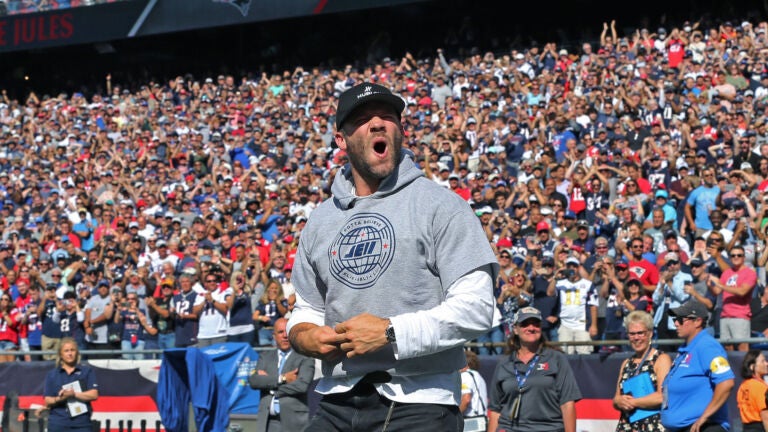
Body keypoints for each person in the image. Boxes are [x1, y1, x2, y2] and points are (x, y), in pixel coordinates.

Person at [287, 83, 497, 431]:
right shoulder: (320, 220)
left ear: (402, 131)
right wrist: (304, 336)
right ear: (341, 140)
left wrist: (391, 332)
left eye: (387, 117)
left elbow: (476, 309)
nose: (378, 124)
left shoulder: (443, 207)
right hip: (336, 398)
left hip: (420, 401)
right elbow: (307, 307)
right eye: (363, 119)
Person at [487, 307, 581, 432]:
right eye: (525, 324)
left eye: (536, 324)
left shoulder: (556, 359)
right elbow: (495, 410)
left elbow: (567, 403)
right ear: (515, 329)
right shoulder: (504, 363)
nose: (531, 328)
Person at [661, 299, 735, 432]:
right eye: (675, 319)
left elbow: (726, 382)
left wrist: (704, 417)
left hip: (704, 427)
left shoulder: (707, 346)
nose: (676, 323)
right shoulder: (686, 349)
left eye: (681, 319)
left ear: (698, 321)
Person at [248, 318, 315, 432]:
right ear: (274, 336)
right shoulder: (265, 356)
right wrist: (282, 378)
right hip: (268, 420)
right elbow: (254, 380)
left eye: (287, 332)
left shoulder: (305, 357)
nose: (285, 336)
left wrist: (270, 386)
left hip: (294, 420)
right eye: (280, 332)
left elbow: (302, 385)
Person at [613, 310, 671, 432]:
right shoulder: (626, 363)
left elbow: (663, 397)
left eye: (640, 333)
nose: (636, 338)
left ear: (650, 334)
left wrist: (633, 402)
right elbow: (616, 399)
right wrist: (619, 401)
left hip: (653, 426)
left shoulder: (661, 359)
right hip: (627, 426)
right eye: (632, 334)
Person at [43, 338, 99, 432]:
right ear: (61, 354)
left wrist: (74, 394)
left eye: (72, 350)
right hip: (58, 423)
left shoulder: (87, 371)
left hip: (82, 424)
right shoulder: (52, 374)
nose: (70, 353)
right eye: (66, 351)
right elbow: (47, 400)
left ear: (77, 352)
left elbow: (94, 394)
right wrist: (61, 398)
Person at [737, 349, 768, 431]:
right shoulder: (760, 387)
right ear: (752, 366)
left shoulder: (742, 386)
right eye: (763, 361)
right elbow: (765, 416)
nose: (766, 363)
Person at [460, 350, 488, 426]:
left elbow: (466, 399)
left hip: (472, 421)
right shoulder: (479, 376)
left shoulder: (465, 375)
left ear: (465, 364)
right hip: (482, 420)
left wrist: (455, 416)